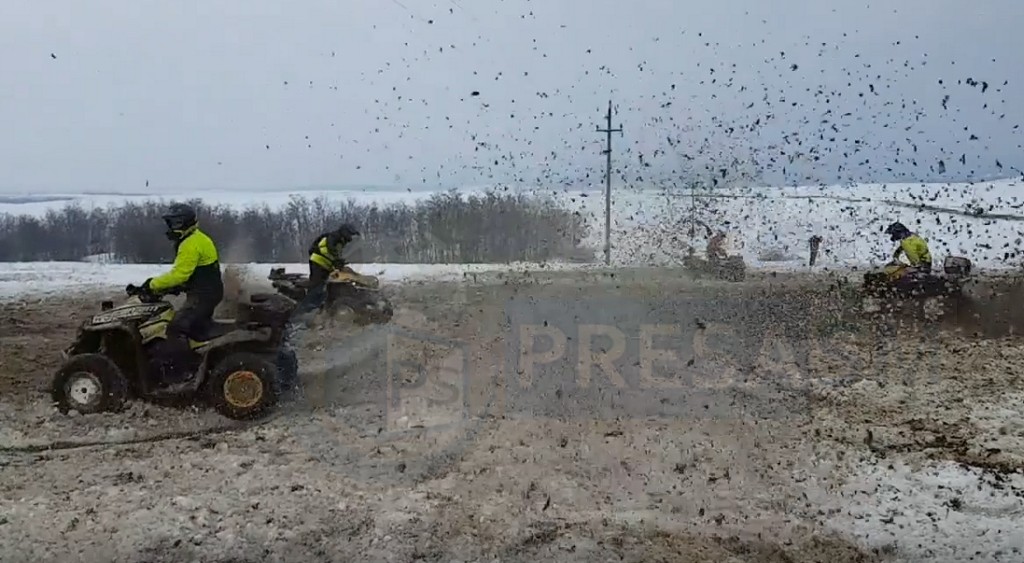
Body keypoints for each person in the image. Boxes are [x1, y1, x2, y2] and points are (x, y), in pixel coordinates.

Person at [141, 203, 224, 388]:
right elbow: (195, 273)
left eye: (176, 223)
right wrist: (173, 287)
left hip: (203, 295)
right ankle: (196, 359)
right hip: (207, 291)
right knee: (195, 328)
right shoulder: (199, 238)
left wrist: (151, 284)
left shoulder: (190, 243)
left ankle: (181, 373)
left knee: (176, 328)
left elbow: (180, 274)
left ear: (185, 223)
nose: (172, 227)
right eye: (171, 223)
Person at [292, 224, 361, 319]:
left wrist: (338, 263)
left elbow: (335, 254)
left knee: (328, 285)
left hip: (326, 265)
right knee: (317, 287)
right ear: (345, 232)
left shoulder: (341, 241)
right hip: (318, 262)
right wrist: (337, 259)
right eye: (350, 234)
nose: (351, 238)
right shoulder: (334, 237)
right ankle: (302, 313)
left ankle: (323, 307)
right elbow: (328, 249)